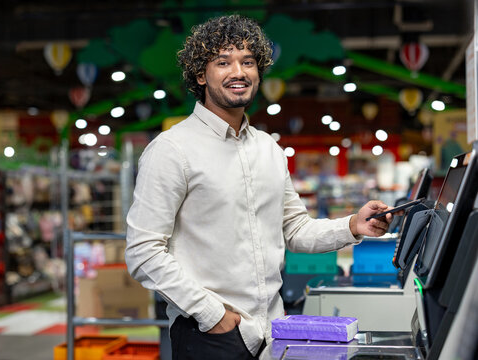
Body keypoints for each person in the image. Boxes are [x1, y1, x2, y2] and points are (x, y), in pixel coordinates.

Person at [125, 14, 397, 360]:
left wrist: (352, 225)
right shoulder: (172, 150)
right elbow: (143, 251)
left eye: (248, 62)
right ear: (200, 75)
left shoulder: (268, 148)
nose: (238, 72)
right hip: (208, 335)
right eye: (223, 62)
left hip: (273, 332)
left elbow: (295, 229)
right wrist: (212, 315)